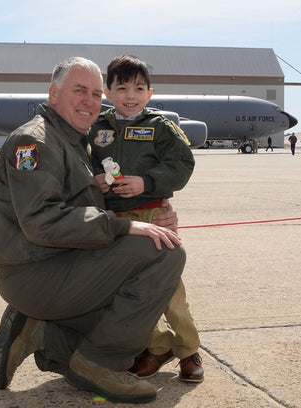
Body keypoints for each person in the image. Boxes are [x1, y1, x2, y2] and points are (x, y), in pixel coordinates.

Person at [0, 57, 186, 404]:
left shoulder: (75, 143)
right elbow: (42, 221)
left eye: (95, 93)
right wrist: (123, 226)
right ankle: (99, 363)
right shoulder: (34, 142)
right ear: (53, 94)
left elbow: (84, 208)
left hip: (61, 263)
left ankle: (44, 333)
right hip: (37, 270)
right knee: (164, 253)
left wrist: (158, 216)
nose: (90, 102)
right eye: (79, 91)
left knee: (126, 324)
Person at [87, 54, 203, 383]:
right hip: (114, 219)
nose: (130, 95)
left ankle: (188, 349)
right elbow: (81, 163)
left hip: (152, 214)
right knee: (128, 289)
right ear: (107, 92)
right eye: (121, 87)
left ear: (150, 93)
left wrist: (146, 182)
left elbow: (182, 164)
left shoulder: (161, 126)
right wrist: (95, 179)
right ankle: (157, 346)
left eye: (139, 88)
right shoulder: (97, 129)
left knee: (168, 287)